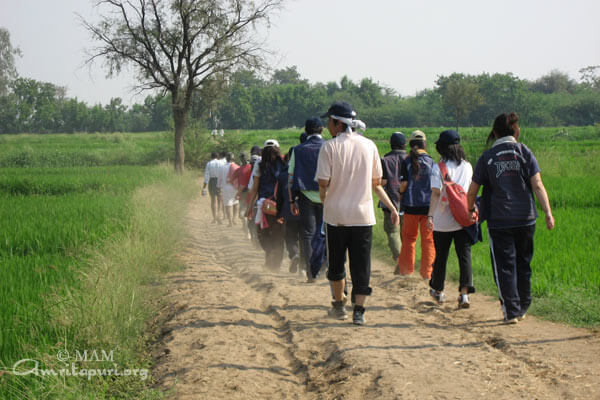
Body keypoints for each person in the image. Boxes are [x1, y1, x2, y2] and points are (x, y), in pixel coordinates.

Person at [316, 101, 400, 325]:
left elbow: (323, 182)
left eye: (329, 122)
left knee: (336, 264)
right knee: (361, 264)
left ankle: (339, 305)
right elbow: (376, 183)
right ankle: (359, 311)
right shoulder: (370, 146)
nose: (327, 126)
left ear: (337, 123)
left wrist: (325, 199)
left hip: (336, 217)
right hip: (363, 217)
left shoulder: (329, 147)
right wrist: (392, 208)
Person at [467, 112, 554, 324]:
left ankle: (512, 311)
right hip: (526, 219)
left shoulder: (488, 157)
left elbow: (472, 190)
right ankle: (523, 305)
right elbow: (538, 185)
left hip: (499, 220)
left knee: (505, 266)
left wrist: (470, 209)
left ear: (495, 132)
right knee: (524, 264)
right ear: (516, 130)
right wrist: (548, 214)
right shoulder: (524, 152)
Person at [427, 130, 475, 307]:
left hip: (442, 221)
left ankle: (438, 291)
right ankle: (464, 295)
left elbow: (435, 194)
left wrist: (430, 216)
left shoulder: (438, 167)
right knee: (464, 256)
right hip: (463, 219)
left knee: (441, 256)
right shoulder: (468, 166)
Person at [289, 117, 326, 281]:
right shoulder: (329, 147)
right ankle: (328, 267)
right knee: (327, 233)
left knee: (308, 234)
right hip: (328, 196)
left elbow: (290, 177)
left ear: (306, 131)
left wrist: (292, 201)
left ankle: (311, 272)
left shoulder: (297, 150)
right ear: (322, 130)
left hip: (305, 196)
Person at [397, 131, 436, 279]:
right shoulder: (432, 162)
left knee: (408, 239)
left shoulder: (406, 161)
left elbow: (404, 184)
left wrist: (400, 194)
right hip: (428, 208)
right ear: (424, 144)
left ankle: (406, 272)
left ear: (411, 144)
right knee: (428, 241)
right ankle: (427, 273)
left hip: (411, 207)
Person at [248, 139, 287, 271]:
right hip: (281, 205)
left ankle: (269, 254)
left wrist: (249, 208)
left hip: (264, 205)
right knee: (279, 235)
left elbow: (254, 188)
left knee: (263, 233)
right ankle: (276, 264)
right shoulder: (284, 163)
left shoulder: (259, 164)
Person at [379, 132, 408, 268]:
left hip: (390, 201)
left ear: (391, 143)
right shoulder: (410, 159)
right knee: (406, 233)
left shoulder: (385, 160)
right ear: (405, 144)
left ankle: (399, 261)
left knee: (392, 232)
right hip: (408, 202)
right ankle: (407, 262)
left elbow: (383, 182)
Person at [277, 152, 302, 274]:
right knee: (306, 237)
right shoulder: (304, 172)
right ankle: (305, 266)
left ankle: (294, 255)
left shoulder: (282, 176)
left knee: (290, 237)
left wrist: (279, 214)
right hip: (307, 211)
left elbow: (279, 197)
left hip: (290, 211)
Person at [218, 152, 239, 227]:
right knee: (236, 202)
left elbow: (219, 179)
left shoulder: (222, 167)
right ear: (233, 159)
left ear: (226, 159)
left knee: (228, 205)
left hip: (226, 187)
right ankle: (234, 219)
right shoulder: (237, 166)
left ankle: (230, 222)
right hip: (235, 187)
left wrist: (219, 187)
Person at [203, 151, 222, 223]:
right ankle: (219, 216)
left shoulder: (209, 163)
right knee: (220, 200)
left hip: (212, 181)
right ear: (218, 157)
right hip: (219, 181)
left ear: (211, 157)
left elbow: (206, 175)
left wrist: (204, 187)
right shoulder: (220, 163)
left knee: (213, 200)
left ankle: (214, 218)